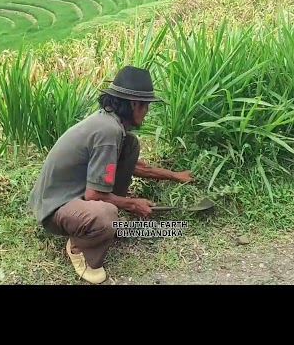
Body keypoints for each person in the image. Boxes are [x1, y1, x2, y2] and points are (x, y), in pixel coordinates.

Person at [27, 65, 194, 284]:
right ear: (134, 104)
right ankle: (79, 248)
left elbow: (130, 166)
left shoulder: (110, 124)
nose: (147, 111)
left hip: (75, 197)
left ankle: (101, 214)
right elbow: (94, 195)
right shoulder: (108, 131)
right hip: (55, 207)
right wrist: (132, 204)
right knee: (106, 217)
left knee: (131, 145)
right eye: (146, 106)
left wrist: (173, 175)